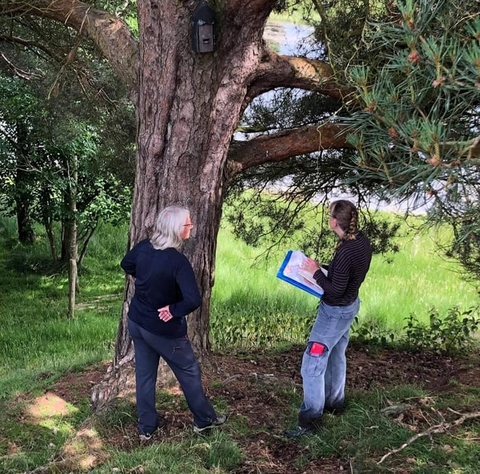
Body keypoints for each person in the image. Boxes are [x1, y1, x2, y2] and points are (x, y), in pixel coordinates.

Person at [121, 205, 226, 440]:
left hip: (138, 323)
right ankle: (204, 420)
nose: (191, 227)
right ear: (177, 229)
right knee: (189, 371)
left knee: (145, 376)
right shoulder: (178, 262)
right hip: (163, 330)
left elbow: (126, 264)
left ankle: (146, 427)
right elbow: (193, 299)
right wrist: (174, 309)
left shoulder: (143, 248)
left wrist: (143, 278)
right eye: (188, 223)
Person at [285, 200, 372, 438]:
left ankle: (310, 421)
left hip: (334, 313)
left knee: (312, 363)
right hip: (350, 306)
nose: (328, 218)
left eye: (329, 215)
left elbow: (334, 291)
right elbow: (346, 276)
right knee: (335, 353)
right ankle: (335, 402)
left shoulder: (345, 251)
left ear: (335, 221)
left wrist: (314, 272)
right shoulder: (361, 242)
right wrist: (321, 268)